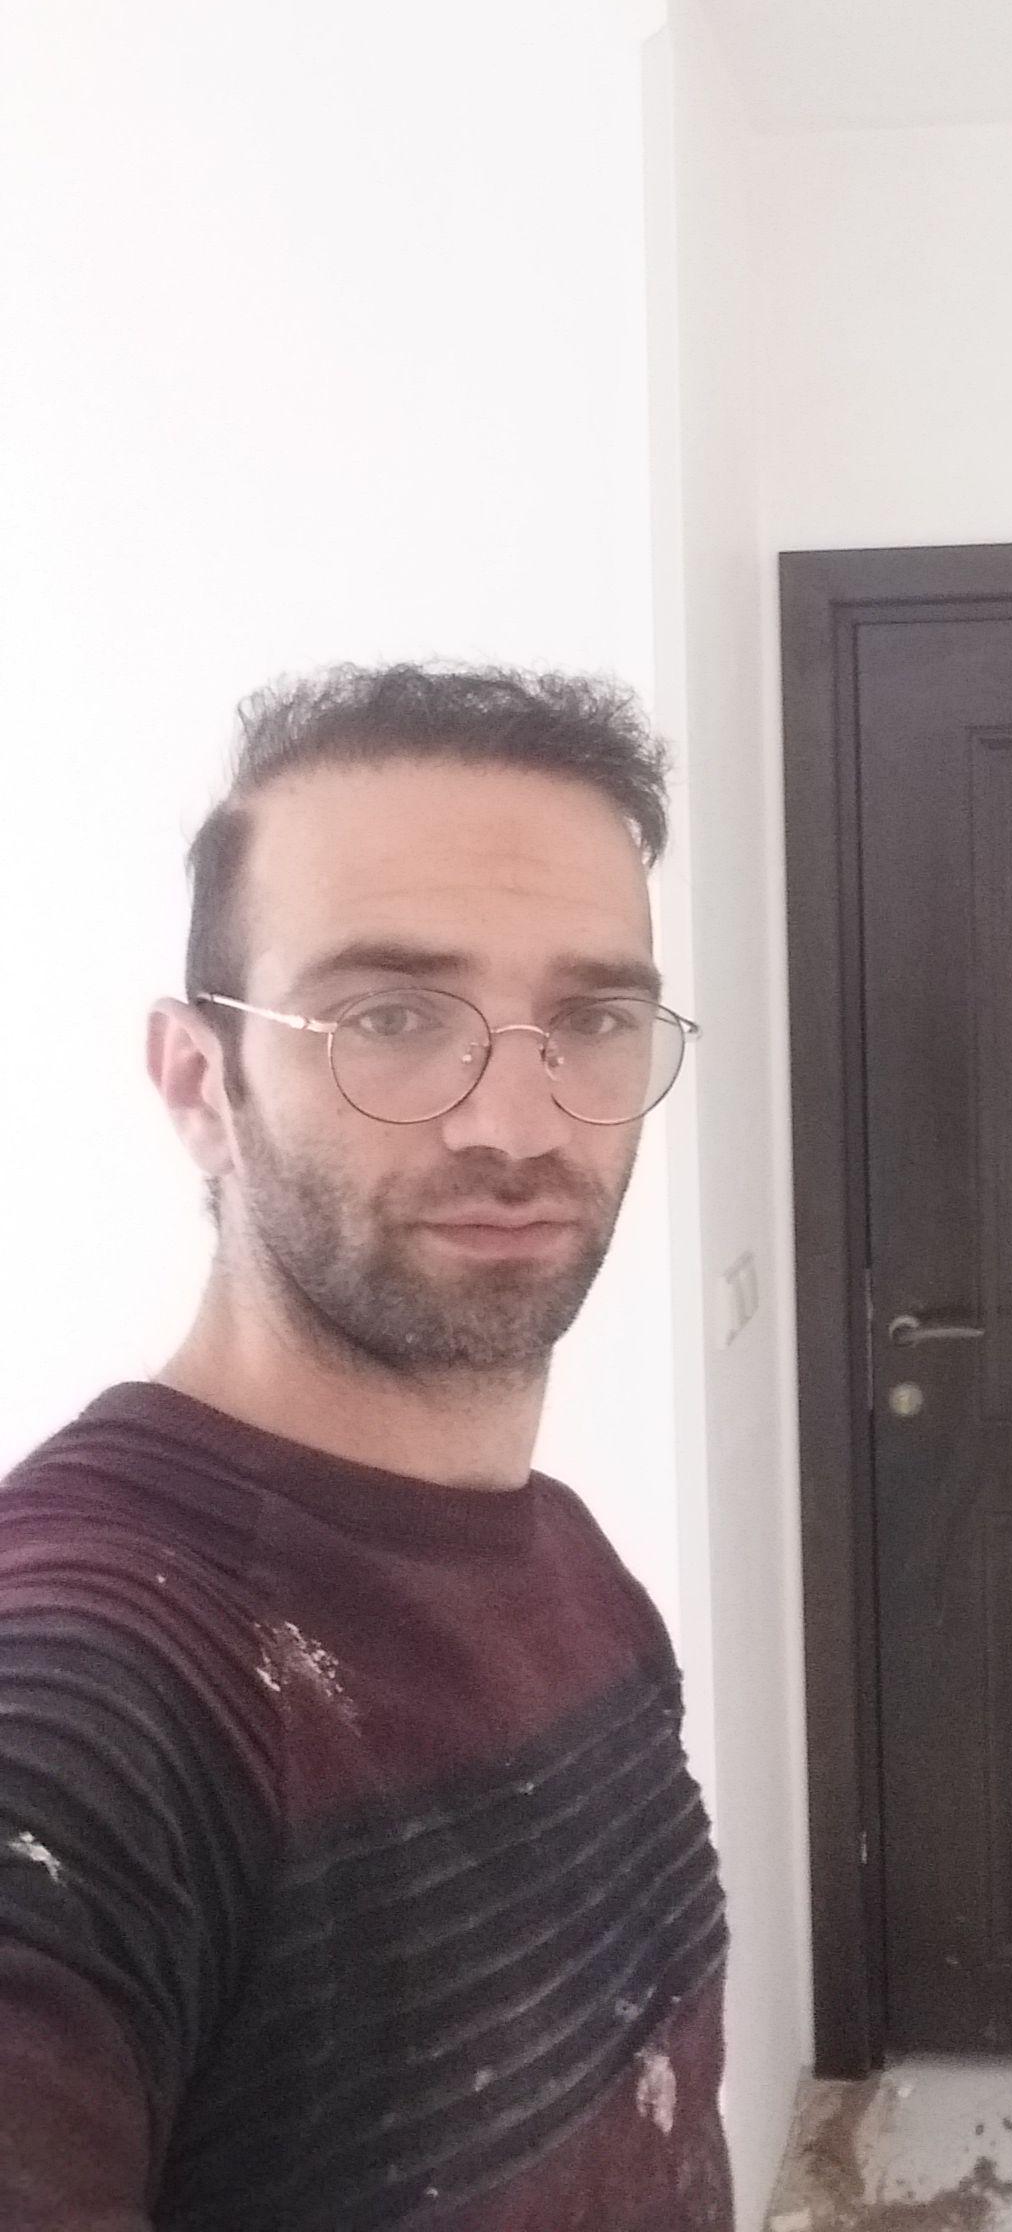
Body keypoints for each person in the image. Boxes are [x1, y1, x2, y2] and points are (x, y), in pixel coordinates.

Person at [0, 663, 730, 2231]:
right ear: (201, 1082)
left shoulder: (569, 1562)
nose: (518, 1125)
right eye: (390, 1017)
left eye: (592, 1019)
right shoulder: (94, 1684)